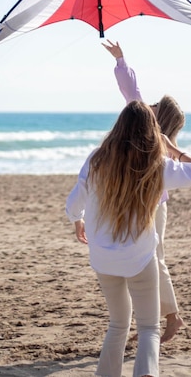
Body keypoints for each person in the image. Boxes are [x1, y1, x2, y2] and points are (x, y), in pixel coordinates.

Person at [66, 101, 191, 377]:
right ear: (152, 132)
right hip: (140, 258)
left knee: (118, 324)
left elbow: (74, 201)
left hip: (103, 258)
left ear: (118, 126)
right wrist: (176, 151)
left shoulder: (97, 159)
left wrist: (78, 220)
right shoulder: (157, 165)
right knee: (148, 328)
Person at [103, 39, 185, 344]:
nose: (148, 104)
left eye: (155, 105)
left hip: (153, 205)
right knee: (144, 260)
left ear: (158, 115)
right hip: (145, 203)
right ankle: (158, 317)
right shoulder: (151, 133)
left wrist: (121, 60)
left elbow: (131, 92)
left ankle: (171, 316)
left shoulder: (153, 131)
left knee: (153, 258)